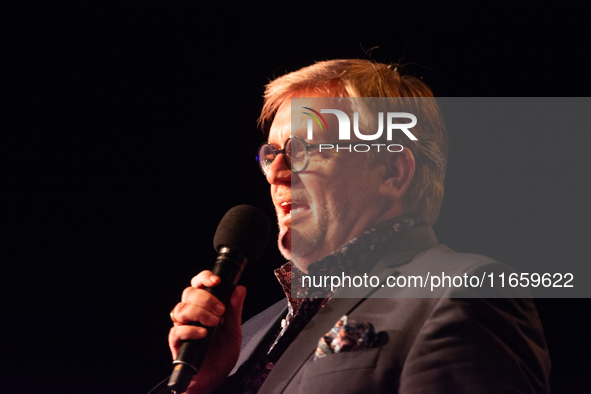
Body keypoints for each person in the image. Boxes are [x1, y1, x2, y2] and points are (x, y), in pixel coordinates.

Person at [166, 59, 551, 394]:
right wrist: (203, 386)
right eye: (272, 155)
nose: (277, 175)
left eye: (305, 149)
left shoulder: (460, 291)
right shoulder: (247, 335)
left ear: (392, 172)